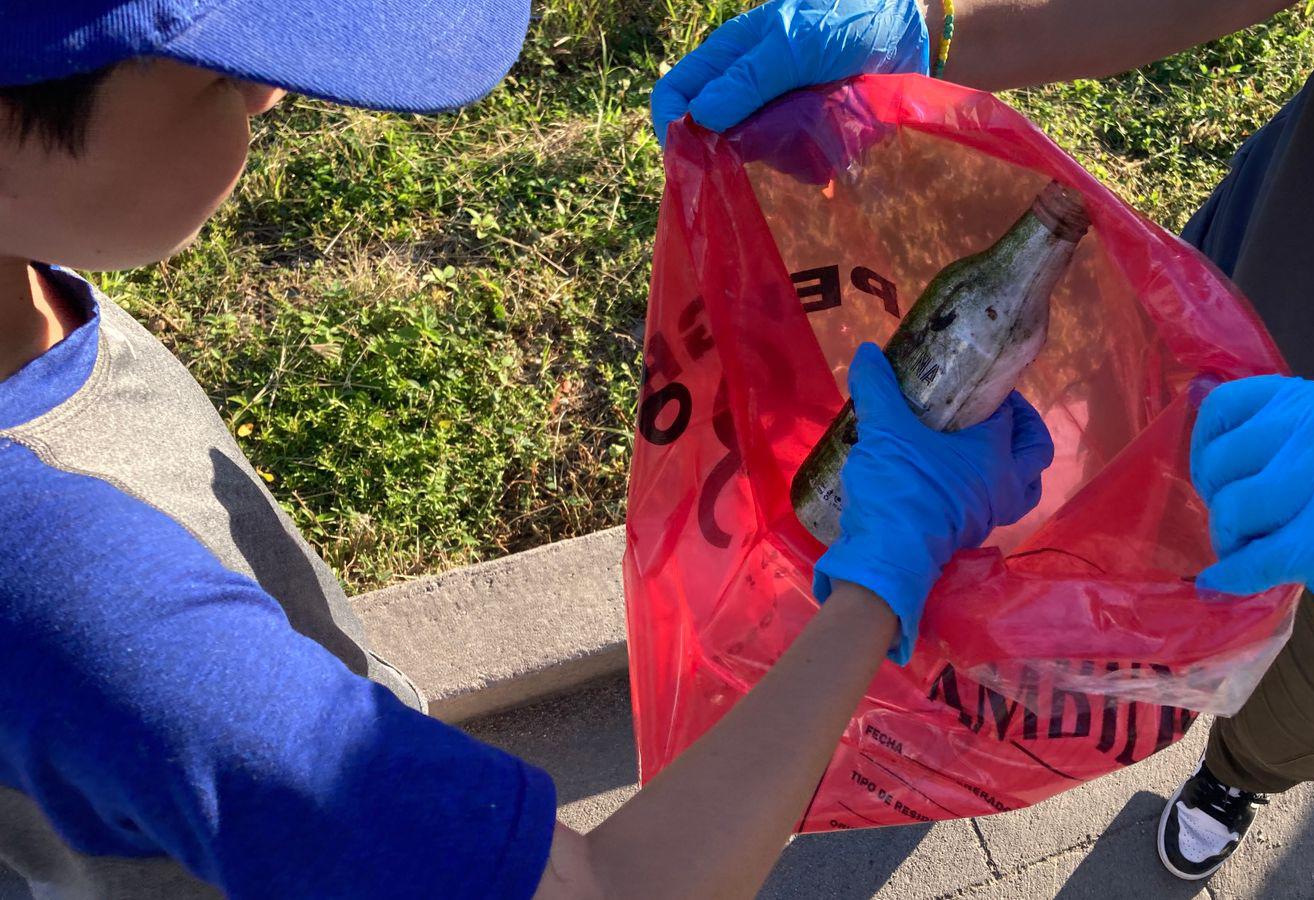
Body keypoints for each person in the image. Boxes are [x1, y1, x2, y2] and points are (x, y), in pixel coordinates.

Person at [0, 2, 1054, 898]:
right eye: (220, 74)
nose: (272, 95)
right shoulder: (94, 606)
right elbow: (616, 887)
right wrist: (883, 572)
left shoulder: (29, 281)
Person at [654, 0, 1314, 883]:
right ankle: (989, 705)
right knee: (1059, 568)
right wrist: (950, 25)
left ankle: (1236, 776)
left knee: (1302, 713)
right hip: (1215, 336)